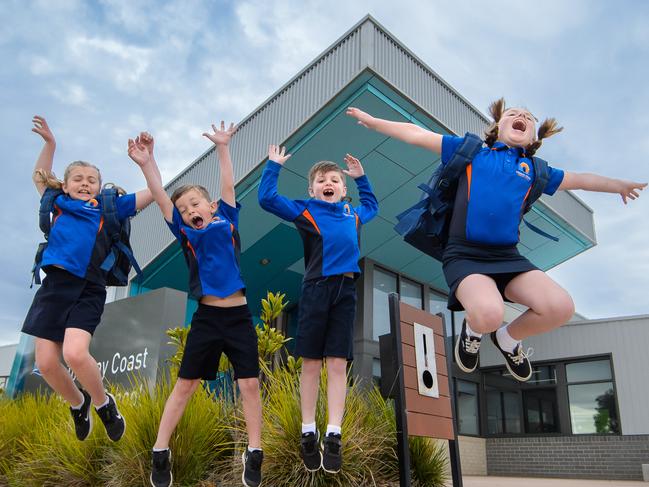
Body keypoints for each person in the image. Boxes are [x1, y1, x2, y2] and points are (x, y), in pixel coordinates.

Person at [346, 100, 646, 381]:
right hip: (465, 255)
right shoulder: (472, 152)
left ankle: (508, 339)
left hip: (507, 257)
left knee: (560, 307)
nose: (522, 118)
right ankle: (473, 334)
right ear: (497, 126)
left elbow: (581, 179)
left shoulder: (535, 170)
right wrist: (374, 122)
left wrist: (617, 185)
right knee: (489, 314)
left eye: (528, 118)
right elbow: (416, 134)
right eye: (514, 114)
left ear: (532, 139)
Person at [128, 123, 263, 487]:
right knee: (185, 385)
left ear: (211, 206)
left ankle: (254, 451)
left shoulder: (227, 219)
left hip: (238, 318)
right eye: (184, 209)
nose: (189, 211)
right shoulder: (186, 233)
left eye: (194, 204)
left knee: (249, 385)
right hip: (207, 319)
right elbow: (159, 196)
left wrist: (223, 148)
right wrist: (147, 162)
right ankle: (160, 451)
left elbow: (228, 185)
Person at [22, 115, 153, 442]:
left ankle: (104, 404)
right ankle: (78, 404)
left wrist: (146, 162)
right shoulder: (57, 202)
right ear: (65, 185)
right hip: (53, 288)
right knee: (47, 363)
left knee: (76, 354)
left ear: (99, 185)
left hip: (88, 288)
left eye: (91, 179)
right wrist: (50, 144)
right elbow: (40, 176)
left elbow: (154, 192)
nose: (84, 183)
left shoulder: (110, 207)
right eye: (77, 178)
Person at [258, 145, 378, 473]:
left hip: (345, 293)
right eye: (322, 180)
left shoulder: (352, 215)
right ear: (312, 190)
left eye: (335, 179)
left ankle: (333, 435)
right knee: (311, 365)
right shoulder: (306, 210)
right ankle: (308, 431)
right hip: (316, 290)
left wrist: (362, 177)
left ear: (342, 189)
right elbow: (267, 199)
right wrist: (273, 167)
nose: (329, 182)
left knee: (338, 364)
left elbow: (372, 206)